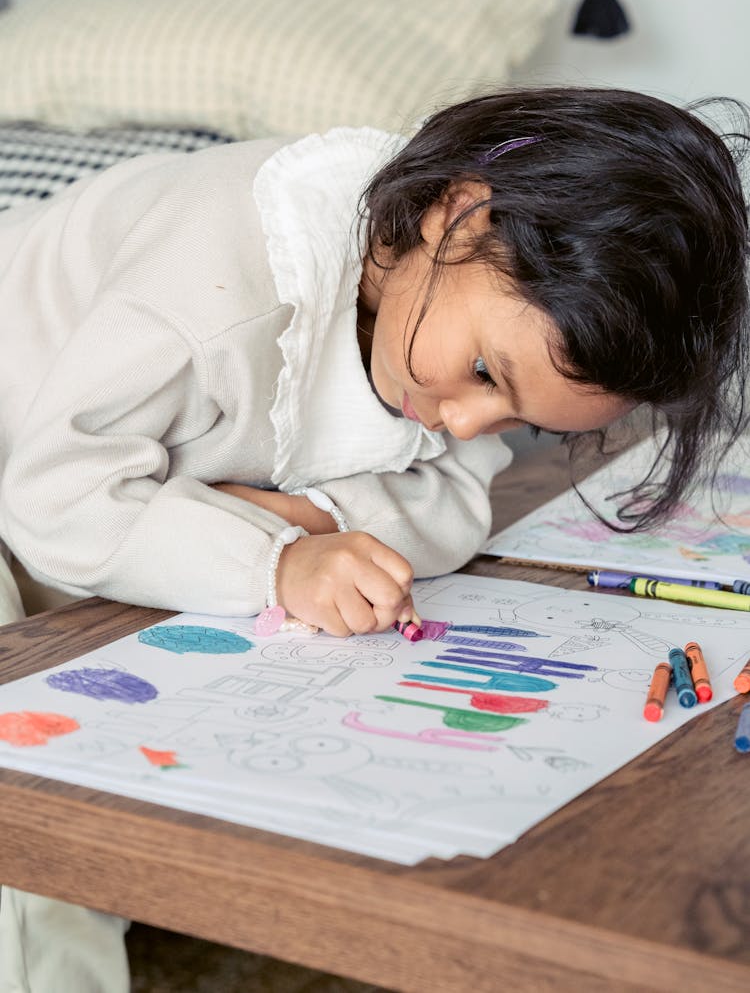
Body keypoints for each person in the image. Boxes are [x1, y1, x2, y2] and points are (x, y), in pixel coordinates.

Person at [0, 86, 748, 991]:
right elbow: (52, 497)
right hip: (26, 473)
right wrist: (275, 559)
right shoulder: (222, 288)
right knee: (36, 810)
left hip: (90, 506)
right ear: (457, 214)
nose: (470, 423)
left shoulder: (437, 312)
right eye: (485, 373)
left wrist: (308, 518)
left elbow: (454, 507)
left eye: (518, 416)